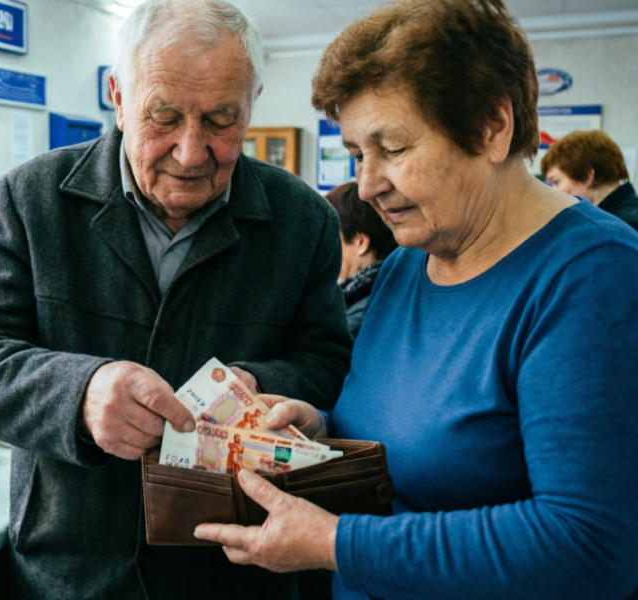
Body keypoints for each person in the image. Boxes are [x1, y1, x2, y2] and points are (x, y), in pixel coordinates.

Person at [193, 1, 638, 599]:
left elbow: (591, 546)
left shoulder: (593, 277)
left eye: (394, 148)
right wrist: (318, 431)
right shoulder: (407, 264)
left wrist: (335, 543)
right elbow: (408, 445)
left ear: (492, 126)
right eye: (356, 153)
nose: (368, 183)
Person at [0, 0, 354, 597]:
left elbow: (328, 364)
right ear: (117, 94)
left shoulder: (305, 222)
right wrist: (80, 393)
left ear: (253, 99)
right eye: (163, 115)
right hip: (69, 569)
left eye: (220, 120)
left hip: (235, 575)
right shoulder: (32, 200)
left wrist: (257, 389)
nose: (190, 152)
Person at [325, 182, 397, 336]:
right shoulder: (391, 283)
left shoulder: (368, 309)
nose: (326, 250)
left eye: (333, 240)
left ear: (361, 242)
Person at [541, 129, 638, 231]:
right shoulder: (613, 216)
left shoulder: (620, 225)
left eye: (556, 182)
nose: (553, 191)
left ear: (587, 176)